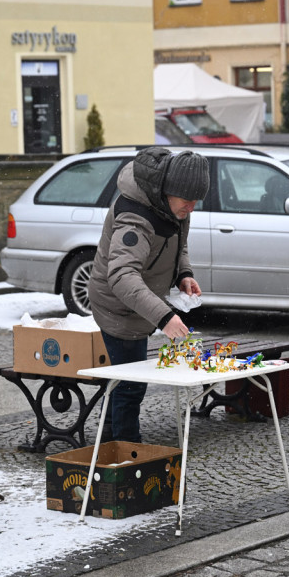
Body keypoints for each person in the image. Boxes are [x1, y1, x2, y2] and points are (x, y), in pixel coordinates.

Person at [88, 147, 208, 442]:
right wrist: (165, 317)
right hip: (117, 307)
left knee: (121, 381)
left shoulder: (174, 206)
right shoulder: (135, 216)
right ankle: (127, 457)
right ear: (167, 191)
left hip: (139, 305)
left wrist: (184, 274)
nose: (190, 208)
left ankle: (109, 450)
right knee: (130, 385)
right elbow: (121, 275)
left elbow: (179, 245)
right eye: (186, 202)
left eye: (196, 202)